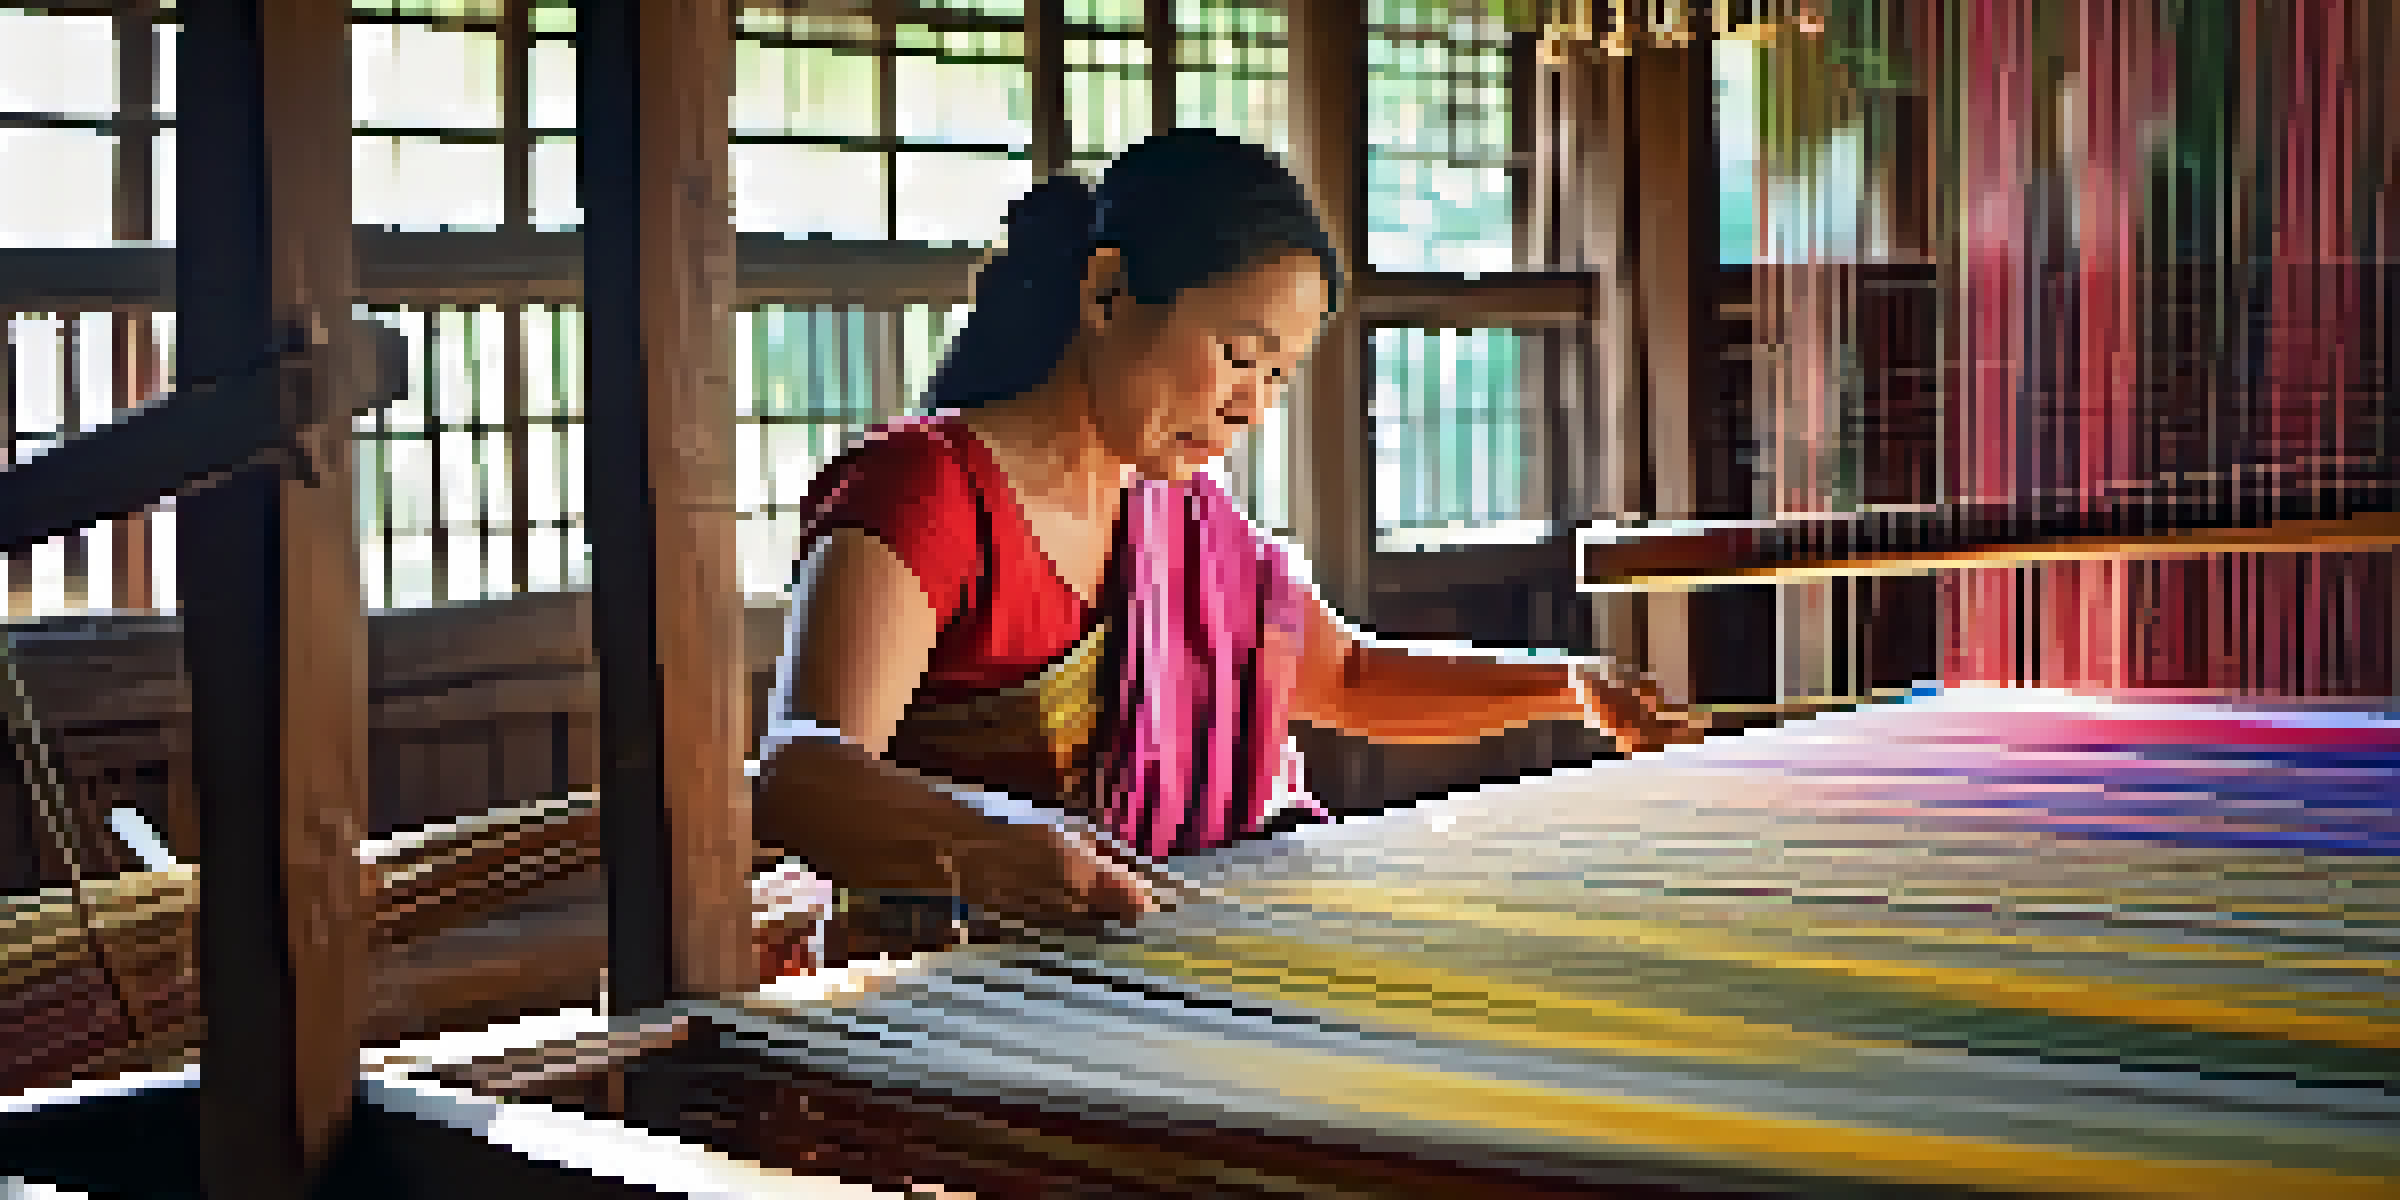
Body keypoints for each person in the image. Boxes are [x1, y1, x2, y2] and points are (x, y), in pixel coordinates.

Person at [753, 129, 1698, 961]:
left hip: (1148, 976)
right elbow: (801, 777)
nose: (1250, 405)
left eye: (1278, 376)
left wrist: (1566, 686)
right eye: (1239, 356)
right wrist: (1004, 843)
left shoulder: (1190, 521)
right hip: (942, 999)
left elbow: (1350, 679)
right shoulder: (928, 487)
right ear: (1109, 290)